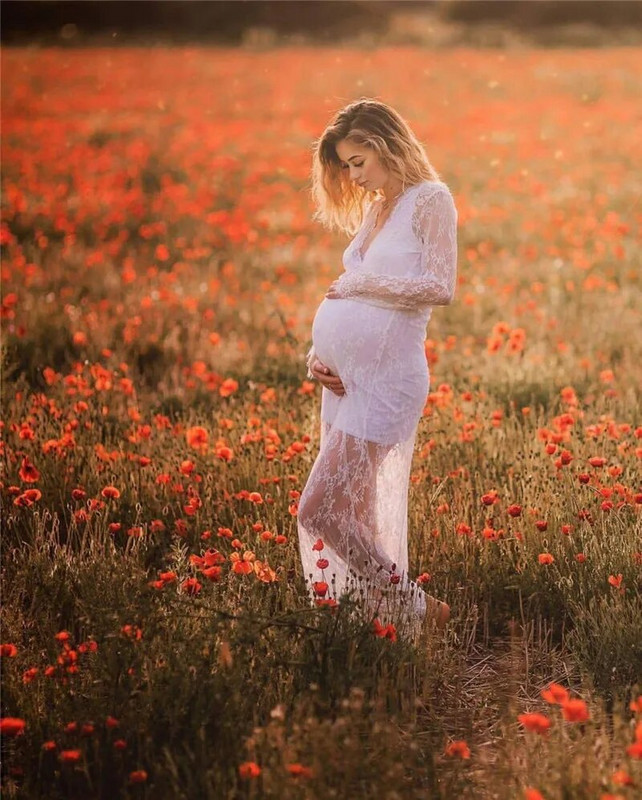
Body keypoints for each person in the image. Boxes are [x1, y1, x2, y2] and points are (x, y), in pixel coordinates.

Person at [296, 98, 457, 636]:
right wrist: (320, 354)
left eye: (358, 161)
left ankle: (419, 610)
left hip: (388, 382)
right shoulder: (377, 208)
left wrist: (359, 285)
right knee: (355, 516)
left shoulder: (430, 199)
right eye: (346, 166)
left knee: (320, 510)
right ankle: (376, 625)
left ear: (387, 145)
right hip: (345, 383)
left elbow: (439, 286)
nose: (354, 177)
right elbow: (348, 296)